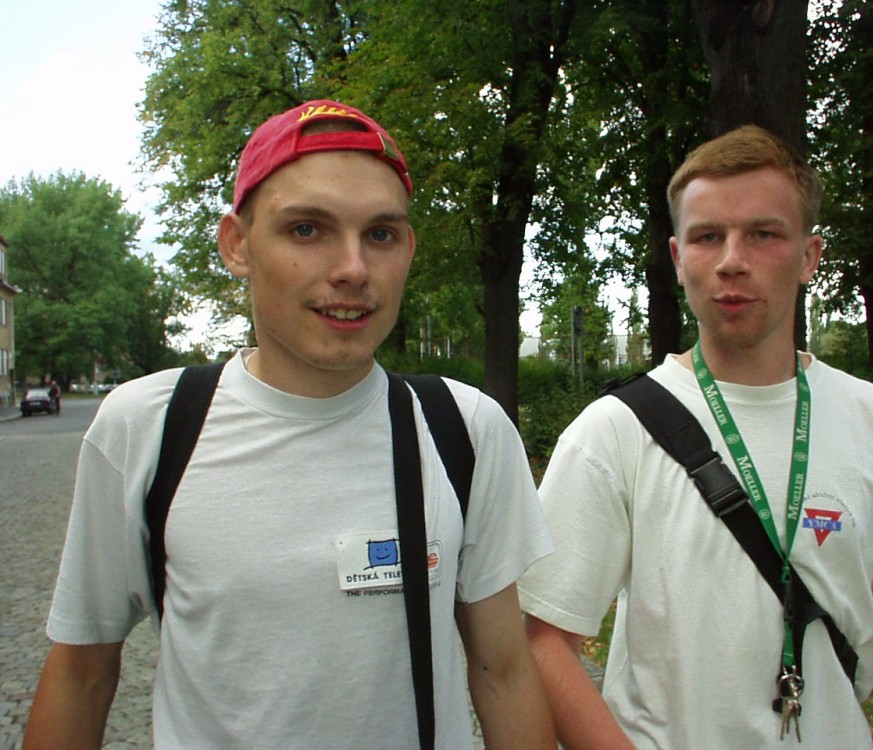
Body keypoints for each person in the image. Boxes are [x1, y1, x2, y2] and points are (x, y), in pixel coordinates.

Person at [24, 99, 556, 750]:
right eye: (307, 229)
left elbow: (503, 671)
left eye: (381, 234)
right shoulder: (148, 429)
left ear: (408, 250)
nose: (353, 269)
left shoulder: (463, 429)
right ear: (237, 245)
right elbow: (81, 674)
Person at [517, 125, 873, 749]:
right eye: (707, 237)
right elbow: (543, 639)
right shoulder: (613, 432)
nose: (731, 260)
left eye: (763, 234)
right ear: (677, 258)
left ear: (809, 257)